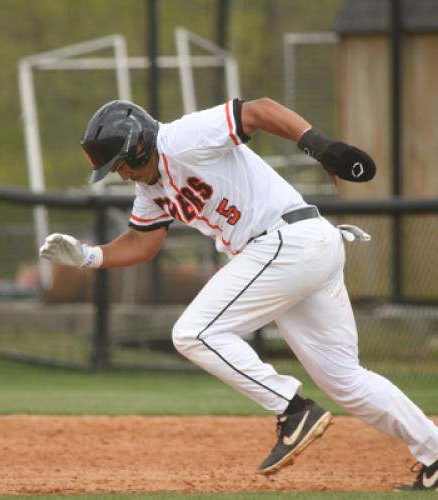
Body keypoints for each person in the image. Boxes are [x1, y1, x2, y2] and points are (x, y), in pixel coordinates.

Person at [39, 97, 438, 491]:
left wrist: (319, 145)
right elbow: (142, 243)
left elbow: (258, 110)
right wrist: (89, 256)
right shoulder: (151, 190)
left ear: (140, 144)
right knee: (345, 379)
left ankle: (292, 409)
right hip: (300, 249)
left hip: (286, 242)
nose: (122, 174)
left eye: (122, 163)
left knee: (193, 333)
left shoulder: (181, 139)